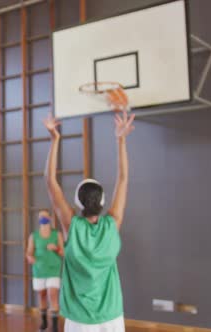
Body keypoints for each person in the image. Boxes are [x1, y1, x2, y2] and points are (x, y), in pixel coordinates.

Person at [43, 88, 135, 332]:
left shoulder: (72, 227)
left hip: (79, 319)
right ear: (103, 202)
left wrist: (55, 140)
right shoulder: (112, 224)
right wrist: (121, 139)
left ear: (77, 204)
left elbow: (50, 182)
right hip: (112, 315)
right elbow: (124, 179)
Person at [26, 210, 64, 332]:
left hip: (54, 269)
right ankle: (44, 322)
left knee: (52, 294)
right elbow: (29, 252)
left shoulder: (57, 234)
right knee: (42, 296)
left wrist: (56, 248)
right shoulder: (34, 235)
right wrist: (30, 257)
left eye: (45, 216)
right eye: (40, 216)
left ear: (50, 218)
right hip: (39, 270)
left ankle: (54, 327)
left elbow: (63, 252)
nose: (43, 217)